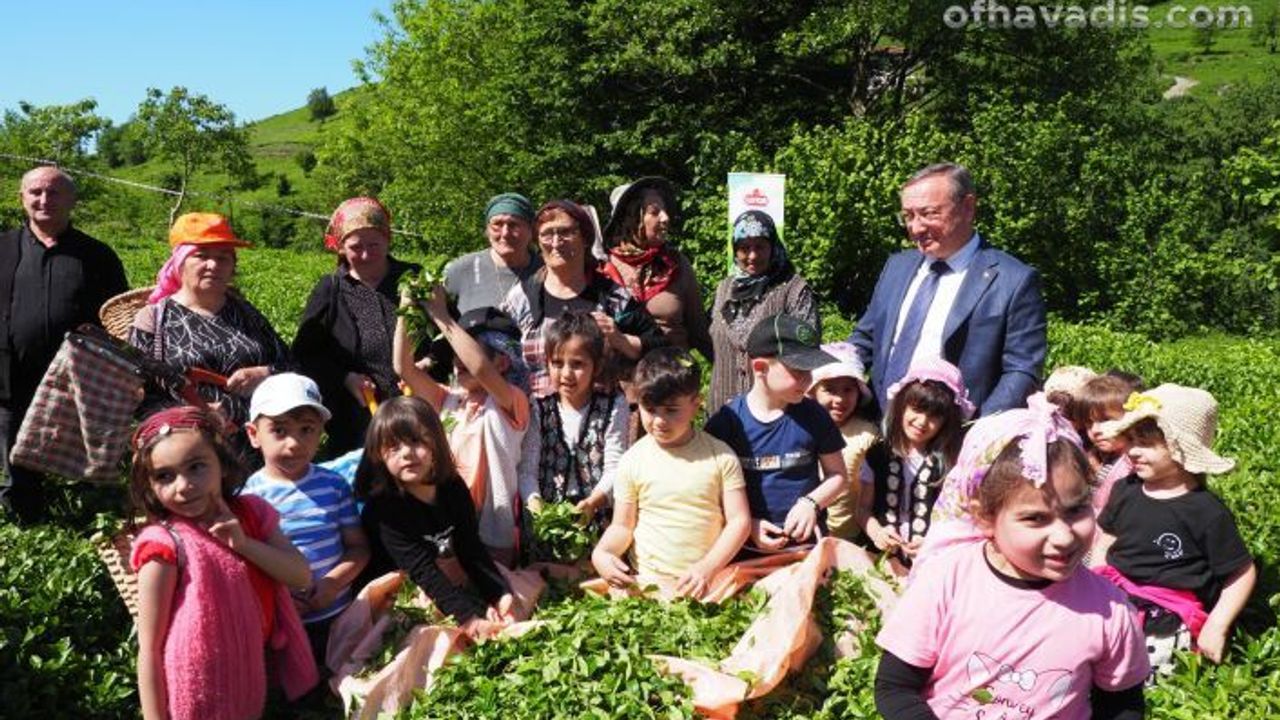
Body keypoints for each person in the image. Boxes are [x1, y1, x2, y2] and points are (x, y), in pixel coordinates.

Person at [875, 398, 1149, 719]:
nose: (1064, 536)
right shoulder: (946, 580)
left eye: (1076, 510)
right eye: (1035, 518)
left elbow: (1121, 706)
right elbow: (895, 687)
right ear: (985, 517)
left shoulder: (1110, 611)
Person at [128, 406, 316, 720]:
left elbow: (300, 576)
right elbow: (149, 649)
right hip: (196, 696)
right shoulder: (163, 545)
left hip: (250, 679)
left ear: (222, 465)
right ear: (150, 486)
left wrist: (243, 544)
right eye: (164, 476)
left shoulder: (252, 513)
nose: (184, 485)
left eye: (196, 467)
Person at [850, 162, 1046, 417]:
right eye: (908, 216)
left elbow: (1022, 370)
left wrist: (976, 434)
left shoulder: (1013, 280)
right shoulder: (897, 267)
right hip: (879, 431)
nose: (916, 228)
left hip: (956, 441)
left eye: (929, 213)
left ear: (967, 207)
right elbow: (865, 340)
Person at [1093, 385, 1256, 672]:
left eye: (1146, 442)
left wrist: (1216, 626)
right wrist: (1095, 581)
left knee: (1142, 672)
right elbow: (1106, 539)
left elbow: (1241, 572)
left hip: (1166, 613)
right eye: (1130, 440)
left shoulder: (1205, 511)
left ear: (1181, 449)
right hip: (1114, 594)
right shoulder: (1125, 489)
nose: (1132, 451)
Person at [0, 166, 128, 521]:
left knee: (87, 455)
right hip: (13, 374)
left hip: (80, 379)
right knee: (16, 458)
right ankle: (26, 522)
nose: (44, 200)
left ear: (71, 200)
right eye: (35, 192)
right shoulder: (3, 248)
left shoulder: (97, 255)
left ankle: (90, 522)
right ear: (22, 198)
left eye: (54, 192)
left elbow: (115, 318)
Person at [592, 347, 750, 598]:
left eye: (671, 410)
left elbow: (739, 522)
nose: (659, 421)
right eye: (650, 409)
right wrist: (603, 553)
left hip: (708, 584)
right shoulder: (632, 460)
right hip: (648, 585)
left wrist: (707, 568)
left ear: (696, 404)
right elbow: (622, 526)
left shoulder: (720, 456)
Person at [354, 396, 515, 639]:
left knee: (513, 595)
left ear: (436, 443)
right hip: (397, 590)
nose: (408, 453)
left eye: (416, 441)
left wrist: (498, 593)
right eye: (394, 447)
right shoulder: (383, 512)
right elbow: (423, 572)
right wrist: (469, 619)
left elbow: (470, 547)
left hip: (441, 574)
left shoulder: (452, 487)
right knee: (433, 641)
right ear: (379, 455)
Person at [393, 286, 531, 568]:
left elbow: (481, 369)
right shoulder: (447, 399)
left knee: (492, 592)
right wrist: (406, 310)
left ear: (502, 362)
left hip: (492, 524)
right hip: (449, 520)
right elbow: (403, 368)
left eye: (467, 351)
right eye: (454, 354)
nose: (457, 361)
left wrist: (441, 315)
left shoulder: (511, 402)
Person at [242, 373, 370, 665]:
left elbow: (358, 548)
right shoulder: (250, 498)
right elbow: (252, 564)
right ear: (253, 434)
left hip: (341, 614)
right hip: (284, 619)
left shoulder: (334, 485)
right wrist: (282, 598)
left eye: (306, 429)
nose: (294, 443)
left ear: (321, 431)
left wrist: (333, 583)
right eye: (279, 430)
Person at [129, 213, 292, 431]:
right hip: (187, 446)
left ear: (233, 266)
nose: (213, 265)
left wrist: (264, 374)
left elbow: (293, 367)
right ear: (179, 263)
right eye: (201, 255)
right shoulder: (154, 319)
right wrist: (192, 414)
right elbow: (133, 394)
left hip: (254, 445)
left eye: (223, 257)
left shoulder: (246, 313)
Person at [705, 314, 847, 553]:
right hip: (744, 548)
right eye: (798, 371)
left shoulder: (815, 416)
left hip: (807, 546)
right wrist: (747, 524)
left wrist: (811, 503)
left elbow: (838, 476)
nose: (807, 380)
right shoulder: (727, 422)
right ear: (760, 367)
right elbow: (710, 490)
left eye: (810, 371)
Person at [293, 197, 421, 456]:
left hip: (420, 407)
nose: (365, 254)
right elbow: (305, 354)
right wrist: (345, 377)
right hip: (358, 420)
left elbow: (446, 332)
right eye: (355, 247)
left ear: (388, 240)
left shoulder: (414, 279)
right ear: (340, 248)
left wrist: (427, 364)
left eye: (374, 244)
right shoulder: (331, 289)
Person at [502, 200, 664, 395]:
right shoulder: (522, 298)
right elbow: (498, 356)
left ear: (585, 239)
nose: (555, 242)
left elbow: (660, 347)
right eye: (547, 234)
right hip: (535, 418)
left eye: (565, 232)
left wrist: (620, 340)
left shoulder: (611, 297)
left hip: (602, 419)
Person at [517, 312, 630, 557]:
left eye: (577, 364)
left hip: (596, 515)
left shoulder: (613, 405)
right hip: (548, 517)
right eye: (557, 363)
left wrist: (593, 502)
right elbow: (527, 469)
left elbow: (616, 466)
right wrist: (537, 507)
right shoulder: (539, 407)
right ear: (547, 363)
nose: (566, 373)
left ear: (596, 366)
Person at [857, 357, 969, 568]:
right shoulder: (877, 455)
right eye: (916, 409)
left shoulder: (951, 463)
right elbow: (862, 509)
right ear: (901, 405)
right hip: (882, 559)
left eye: (935, 416)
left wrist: (934, 540)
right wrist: (877, 532)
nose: (922, 422)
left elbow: (957, 518)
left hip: (932, 561)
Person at [707, 210, 819, 411]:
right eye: (744, 248)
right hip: (723, 413)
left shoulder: (793, 290)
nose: (752, 256)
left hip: (775, 414)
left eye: (760, 246)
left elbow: (807, 351)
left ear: (773, 247)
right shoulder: (725, 289)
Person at [600, 177, 713, 359]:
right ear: (632, 218)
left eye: (665, 211)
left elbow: (700, 332)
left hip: (673, 378)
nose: (665, 218)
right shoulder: (603, 268)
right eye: (654, 212)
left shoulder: (676, 264)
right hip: (621, 383)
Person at [806, 342, 879, 541]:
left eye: (848, 390)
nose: (839, 399)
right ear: (812, 391)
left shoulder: (868, 435)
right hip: (809, 536)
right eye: (829, 390)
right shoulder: (802, 430)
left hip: (853, 537)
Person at [445, 193, 543, 315]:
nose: (505, 233)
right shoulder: (462, 269)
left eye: (514, 225)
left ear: (531, 230)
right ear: (487, 230)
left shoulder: (547, 271)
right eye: (497, 224)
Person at [1074, 373, 1142, 514]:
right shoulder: (1109, 457)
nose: (1095, 430)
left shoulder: (1133, 466)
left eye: (1105, 421)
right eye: (1088, 424)